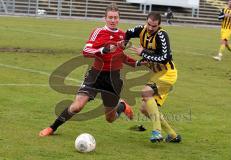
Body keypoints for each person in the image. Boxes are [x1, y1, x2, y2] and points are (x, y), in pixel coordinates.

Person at [39, 3, 140, 137]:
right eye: (110, 17)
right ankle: (52, 128)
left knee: (110, 119)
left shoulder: (123, 36)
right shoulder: (98, 32)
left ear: (119, 19)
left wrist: (137, 63)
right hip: (96, 75)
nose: (113, 20)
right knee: (77, 106)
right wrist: (102, 50)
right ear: (105, 18)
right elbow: (86, 50)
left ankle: (122, 106)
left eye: (115, 17)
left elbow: (121, 56)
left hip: (113, 79)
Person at [124, 12, 181, 143]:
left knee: (146, 92)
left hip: (167, 73)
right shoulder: (141, 30)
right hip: (156, 74)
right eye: (148, 24)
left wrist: (143, 53)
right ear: (146, 21)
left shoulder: (162, 35)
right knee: (144, 109)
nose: (150, 28)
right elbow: (128, 32)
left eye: (153, 26)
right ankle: (173, 135)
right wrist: (124, 42)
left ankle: (157, 132)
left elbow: (164, 58)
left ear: (159, 25)